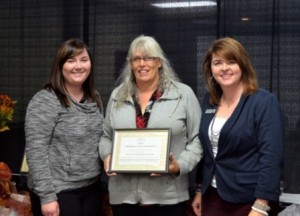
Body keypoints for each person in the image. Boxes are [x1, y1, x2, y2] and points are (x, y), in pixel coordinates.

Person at [99, 35, 203, 216]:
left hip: (168, 198)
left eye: (148, 58)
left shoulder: (183, 94)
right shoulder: (117, 96)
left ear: (159, 62)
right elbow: (106, 136)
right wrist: (107, 155)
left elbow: (197, 140)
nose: (142, 64)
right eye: (136, 59)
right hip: (124, 198)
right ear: (130, 64)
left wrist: (179, 166)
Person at [192, 37, 284, 216]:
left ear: (242, 65)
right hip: (212, 196)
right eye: (218, 63)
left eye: (231, 62)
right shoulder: (209, 102)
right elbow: (208, 153)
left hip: (249, 200)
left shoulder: (263, 102)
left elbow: (271, 159)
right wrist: (198, 189)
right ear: (210, 69)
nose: (224, 68)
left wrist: (261, 205)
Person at [25, 38, 104, 216]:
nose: (78, 66)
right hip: (58, 192)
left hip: (91, 188)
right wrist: (47, 197)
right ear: (60, 66)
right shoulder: (45, 100)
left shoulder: (94, 98)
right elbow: (36, 152)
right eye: (71, 60)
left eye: (84, 60)